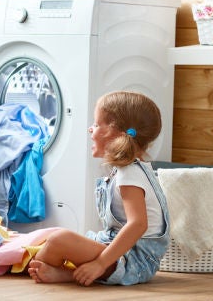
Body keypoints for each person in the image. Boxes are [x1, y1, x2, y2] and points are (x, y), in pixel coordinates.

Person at [27, 91, 170, 286]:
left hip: (135, 261)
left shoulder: (130, 173)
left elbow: (138, 224)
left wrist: (101, 263)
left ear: (115, 133)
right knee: (51, 238)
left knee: (58, 240)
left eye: (95, 124)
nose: (90, 129)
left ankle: (48, 269)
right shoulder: (127, 169)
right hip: (121, 251)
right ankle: (67, 274)